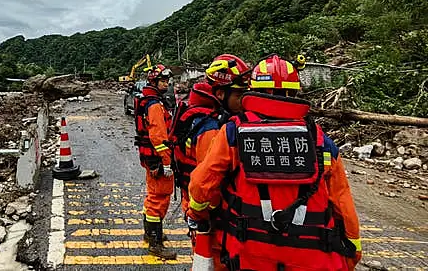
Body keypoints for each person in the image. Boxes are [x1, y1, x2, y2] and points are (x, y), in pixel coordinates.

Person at [187, 54, 361, 271]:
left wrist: (198, 215)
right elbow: (343, 204)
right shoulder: (319, 140)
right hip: (311, 259)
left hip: (247, 255)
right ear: (295, 92)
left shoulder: (233, 132)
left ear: (254, 91)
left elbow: (201, 187)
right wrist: (352, 250)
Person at [170, 54, 251, 270]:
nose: (244, 101)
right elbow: (207, 183)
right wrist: (205, 213)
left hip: (197, 206)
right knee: (214, 262)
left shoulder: (197, 115)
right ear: (221, 93)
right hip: (209, 215)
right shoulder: (211, 129)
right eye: (239, 94)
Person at [133, 64, 176, 259]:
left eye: (167, 80)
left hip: (149, 158)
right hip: (158, 159)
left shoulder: (146, 100)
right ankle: (155, 243)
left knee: (152, 196)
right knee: (159, 198)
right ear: (154, 82)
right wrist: (167, 162)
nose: (166, 84)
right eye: (163, 80)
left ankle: (150, 233)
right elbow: (159, 137)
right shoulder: (154, 105)